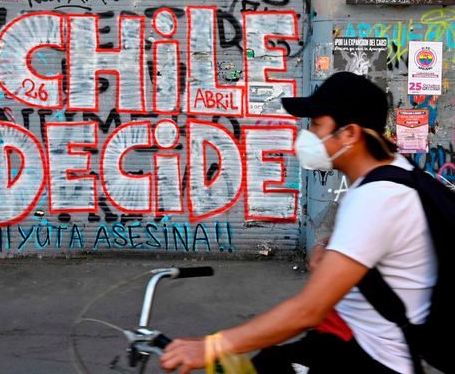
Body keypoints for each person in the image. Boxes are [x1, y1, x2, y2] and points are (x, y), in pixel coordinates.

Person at [160, 72, 437, 374]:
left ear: (350, 134)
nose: (309, 134)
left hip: (374, 358)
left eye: (318, 124)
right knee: (265, 363)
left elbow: (307, 311)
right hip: (349, 336)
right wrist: (331, 245)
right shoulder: (393, 171)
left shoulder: (378, 198)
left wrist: (211, 346)